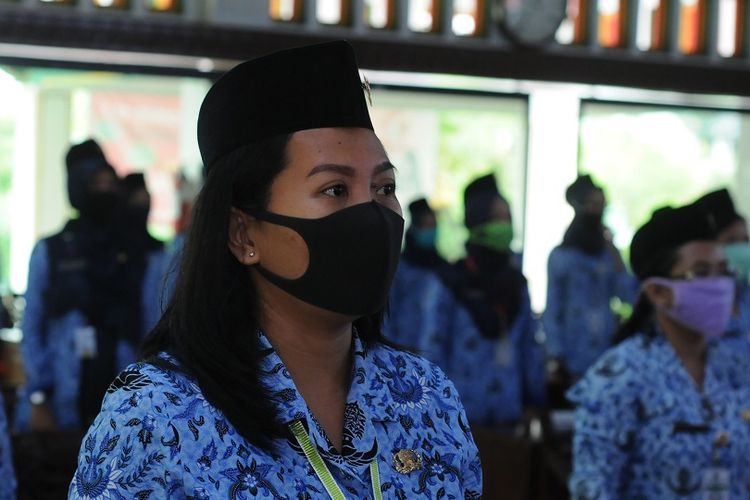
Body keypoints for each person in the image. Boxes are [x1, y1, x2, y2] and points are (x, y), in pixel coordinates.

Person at [69, 41, 482, 498]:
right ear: (244, 235)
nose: (372, 214)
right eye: (334, 189)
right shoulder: (155, 416)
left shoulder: (426, 397)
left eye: (385, 187)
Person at [567, 203, 750, 499]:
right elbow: (593, 488)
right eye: (701, 273)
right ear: (658, 292)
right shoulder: (619, 377)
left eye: (723, 272)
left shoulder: (738, 365)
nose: (719, 286)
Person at [18, 139, 145, 432]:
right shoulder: (51, 251)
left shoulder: (136, 252)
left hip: (124, 413)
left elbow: (153, 324)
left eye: (109, 182)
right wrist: (38, 396)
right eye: (95, 183)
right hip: (61, 407)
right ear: (78, 186)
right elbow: (32, 327)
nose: (105, 191)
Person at [437, 174, 545, 431]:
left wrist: (534, 400)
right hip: (455, 420)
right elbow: (434, 350)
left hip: (509, 415)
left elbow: (530, 347)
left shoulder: (517, 284)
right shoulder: (450, 282)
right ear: (478, 221)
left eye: (508, 218)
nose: (505, 225)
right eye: (497, 217)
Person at [543, 174, 636, 382]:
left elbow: (628, 295)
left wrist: (615, 254)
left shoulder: (609, 254)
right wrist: (555, 355)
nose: (598, 211)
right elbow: (553, 309)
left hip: (606, 357)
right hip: (572, 358)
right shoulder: (561, 255)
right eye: (593, 205)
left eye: (602, 205)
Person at [384, 198, 454, 353]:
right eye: (426, 225)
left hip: (437, 356)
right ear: (414, 228)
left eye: (434, 225)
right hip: (402, 352)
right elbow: (388, 314)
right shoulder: (399, 269)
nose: (431, 230)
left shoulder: (446, 270)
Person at [693, 188, 750, 338]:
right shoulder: (697, 305)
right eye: (731, 241)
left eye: (746, 240)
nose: (742, 248)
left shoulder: (744, 291)